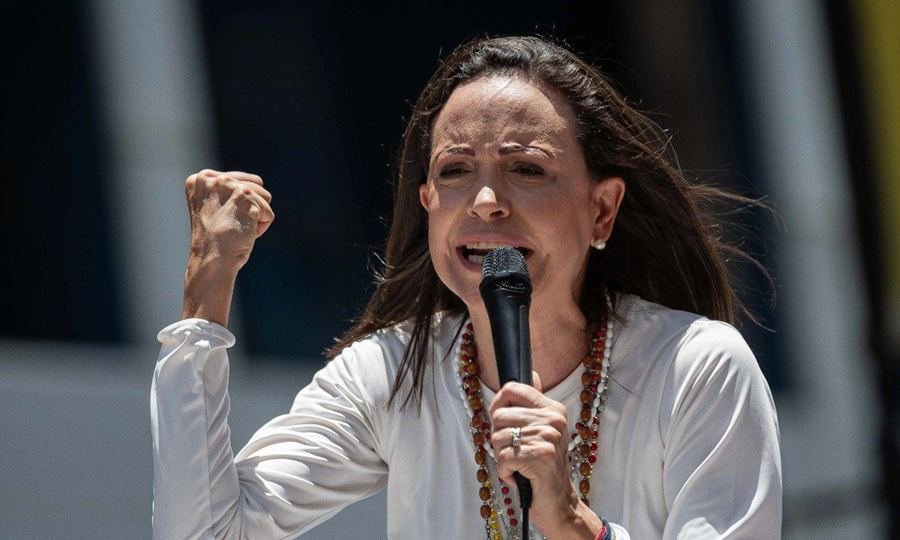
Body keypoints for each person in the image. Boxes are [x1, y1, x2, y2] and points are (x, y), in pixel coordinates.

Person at [151, 36, 782, 539]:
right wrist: (208, 282)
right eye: (455, 170)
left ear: (602, 210)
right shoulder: (391, 372)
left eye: (526, 168)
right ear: (428, 203)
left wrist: (572, 523)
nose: (485, 201)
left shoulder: (696, 367)